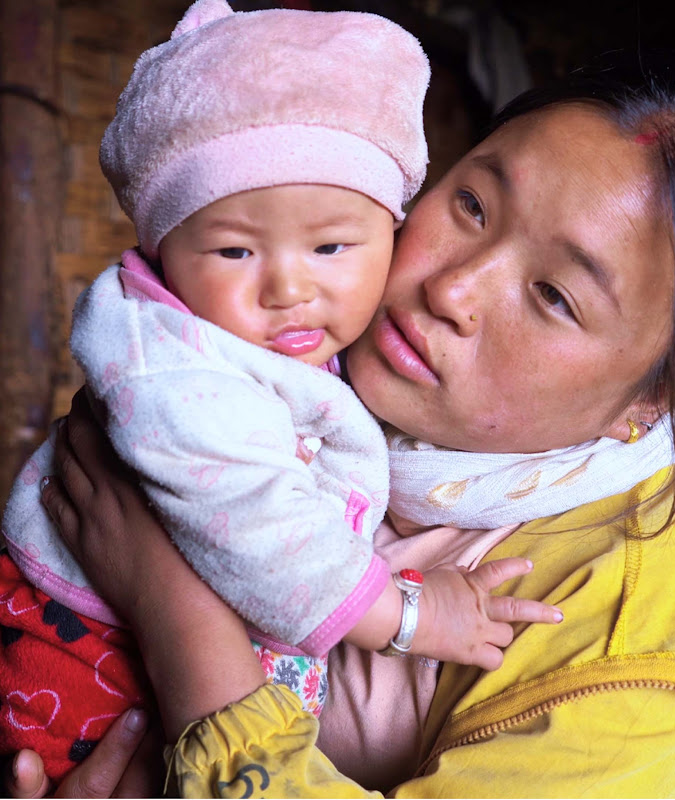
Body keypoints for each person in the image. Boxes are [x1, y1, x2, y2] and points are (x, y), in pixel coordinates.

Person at [7, 75, 675, 797]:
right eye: (474, 206)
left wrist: (176, 613)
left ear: (654, 402)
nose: (452, 287)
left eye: (555, 295)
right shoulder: (277, 364)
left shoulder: (646, 630)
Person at [0, 0, 562, 783]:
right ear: (163, 252)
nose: (289, 290)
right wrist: (409, 614)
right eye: (235, 251)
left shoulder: (312, 350)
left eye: (331, 246)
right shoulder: (172, 370)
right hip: (81, 655)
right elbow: (252, 521)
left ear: (392, 229)